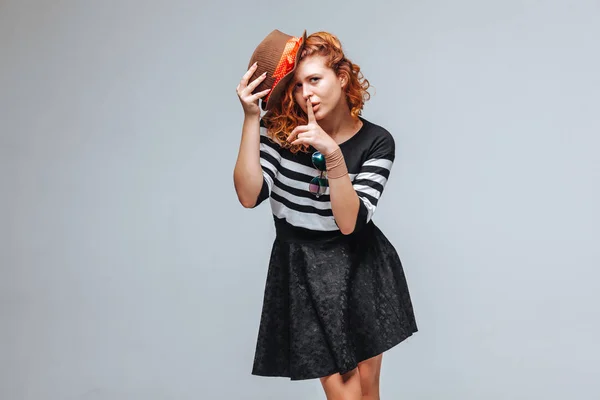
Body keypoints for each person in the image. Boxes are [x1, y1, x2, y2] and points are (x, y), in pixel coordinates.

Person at [233, 29, 418, 400]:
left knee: (367, 391)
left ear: (342, 78)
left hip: (360, 264)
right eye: (298, 86)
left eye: (315, 79)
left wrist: (333, 157)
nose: (307, 94)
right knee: (345, 396)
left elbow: (350, 222)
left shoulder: (376, 142)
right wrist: (252, 118)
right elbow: (248, 195)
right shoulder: (279, 131)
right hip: (302, 267)